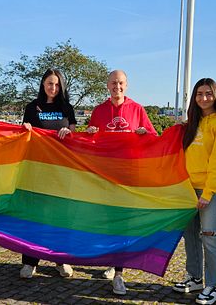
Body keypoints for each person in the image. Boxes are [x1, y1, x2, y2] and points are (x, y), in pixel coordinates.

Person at [86, 69, 157, 295]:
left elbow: (154, 138)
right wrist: (89, 133)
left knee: (124, 223)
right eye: (114, 83)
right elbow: (90, 141)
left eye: (121, 83)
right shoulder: (98, 111)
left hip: (129, 177)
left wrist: (145, 133)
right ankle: (111, 260)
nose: (117, 86)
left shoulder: (137, 109)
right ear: (107, 85)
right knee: (108, 223)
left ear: (127, 85)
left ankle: (119, 274)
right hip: (106, 177)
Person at [172, 77, 216, 305]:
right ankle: (195, 277)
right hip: (188, 190)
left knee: (210, 237)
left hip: (210, 191)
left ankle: (213, 285)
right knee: (190, 236)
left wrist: (208, 194)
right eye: (199, 94)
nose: (204, 98)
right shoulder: (192, 124)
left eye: (208, 93)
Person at [19, 68, 77, 279]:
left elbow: (75, 138)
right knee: (34, 216)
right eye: (50, 83)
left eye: (57, 84)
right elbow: (24, 136)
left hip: (61, 171)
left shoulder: (67, 108)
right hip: (37, 170)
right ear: (43, 84)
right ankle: (30, 261)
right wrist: (25, 128)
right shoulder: (32, 107)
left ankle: (61, 259)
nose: (53, 87)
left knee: (60, 217)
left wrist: (69, 133)